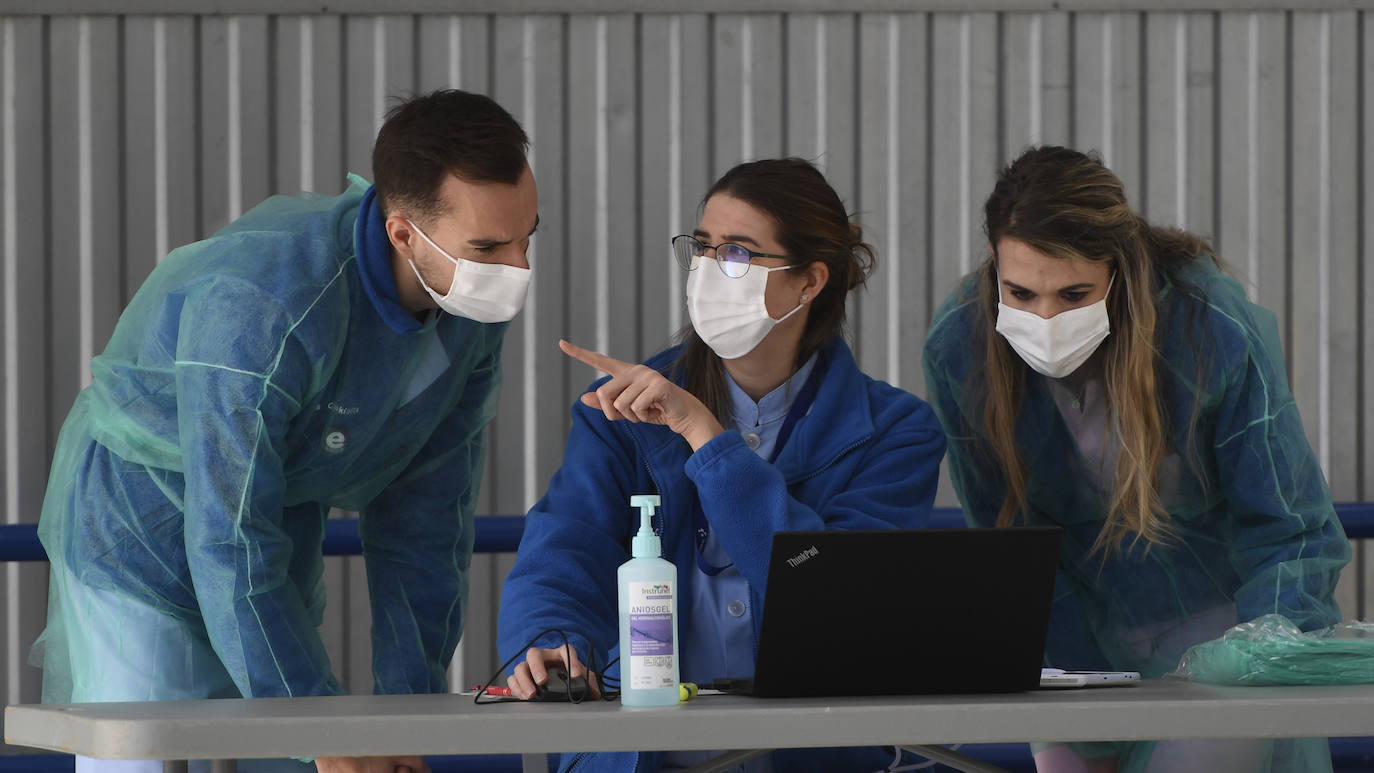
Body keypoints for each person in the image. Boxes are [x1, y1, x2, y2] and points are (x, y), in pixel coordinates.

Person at [32, 89, 538, 773]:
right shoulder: (266, 302)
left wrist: (407, 716)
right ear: (403, 234)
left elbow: (428, 519)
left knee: (293, 747)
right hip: (145, 539)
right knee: (150, 752)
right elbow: (228, 534)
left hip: (273, 529)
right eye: (488, 247)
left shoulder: (467, 309)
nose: (516, 270)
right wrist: (326, 735)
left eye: (526, 237)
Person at [496, 157, 946, 772]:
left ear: (809, 282)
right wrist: (552, 643)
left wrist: (705, 437)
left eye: (737, 252)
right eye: (702, 246)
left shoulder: (896, 432)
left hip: (815, 759)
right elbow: (563, 552)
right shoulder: (618, 411)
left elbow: (832, 597)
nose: (708, 268)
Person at [922, 145, 1351, 773]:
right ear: (993, 260)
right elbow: (1011, 544)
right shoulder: (959, 347)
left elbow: (1291, 527)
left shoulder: (1210, 327)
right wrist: (1083, 721)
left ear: (1119, 267)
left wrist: (1262, 659)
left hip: (1225, 638)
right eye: (1021, 292)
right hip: (1063, 646)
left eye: (1074, 294)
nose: (1045, 318)